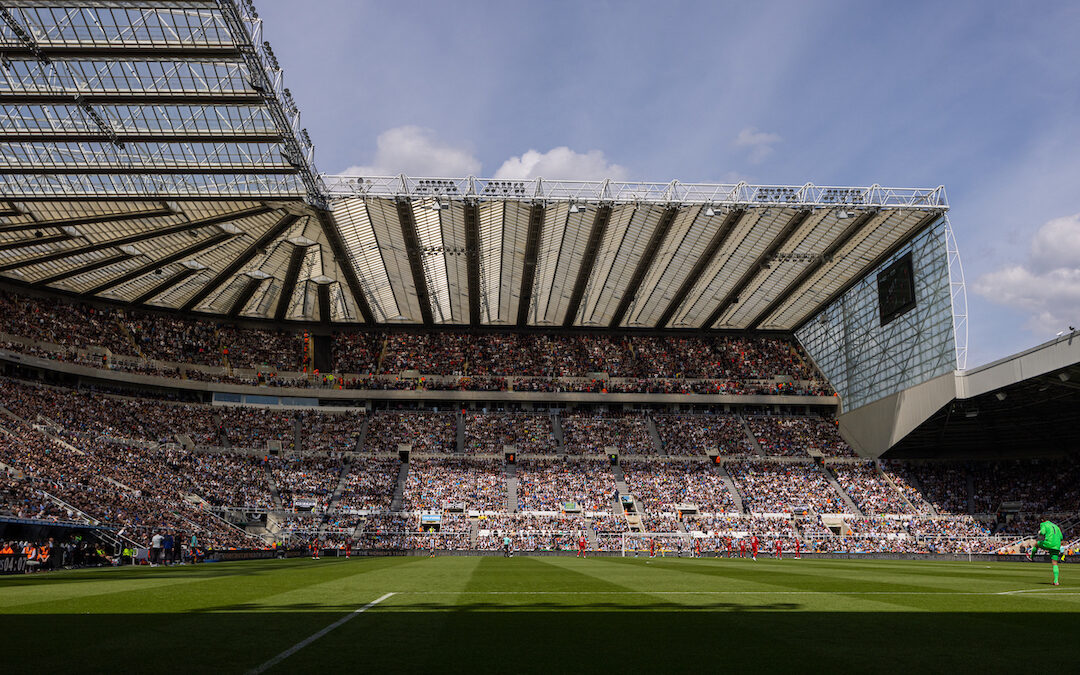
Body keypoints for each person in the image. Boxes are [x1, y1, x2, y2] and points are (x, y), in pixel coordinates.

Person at [1027, 520, 1064, 586]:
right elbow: (1061, 537)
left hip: (1049, 543)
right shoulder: (1056, 526)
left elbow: (1042, 532)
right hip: (1057, 545)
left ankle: (1031, 556)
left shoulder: (1043, 524)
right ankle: (1056, 581)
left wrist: (1040, 532)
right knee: (1055, 563)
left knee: (1036, 544)